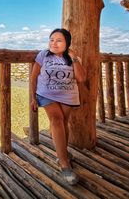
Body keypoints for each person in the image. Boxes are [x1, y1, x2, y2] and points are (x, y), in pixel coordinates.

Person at [30, 28, 86, 185]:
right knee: (56, 119)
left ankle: (63, 153)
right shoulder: (43, 55)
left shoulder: (72, 58)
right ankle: (64, 164)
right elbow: (33, 77)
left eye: (59, 40)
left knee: (63, 122)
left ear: (67, 43)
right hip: (46, 94)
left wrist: (74, 57)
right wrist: (33, 98)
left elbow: (81, 78)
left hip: (68, 95)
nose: (54, 43)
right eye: (51, 39)